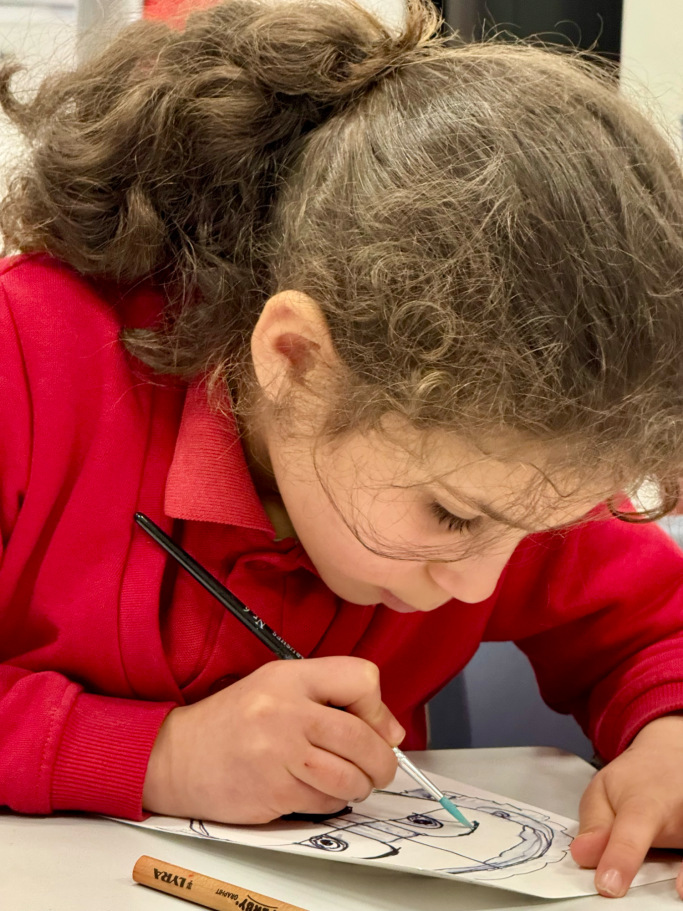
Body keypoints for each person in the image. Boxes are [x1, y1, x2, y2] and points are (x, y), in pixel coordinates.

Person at [2, 0, 683, 898]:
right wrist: (157, 755)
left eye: (538, 530)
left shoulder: (510, 463)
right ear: (295, 362)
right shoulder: (27, 361)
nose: (478, 585)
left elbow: (655, 628)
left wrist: (669, 734)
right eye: (449, 516)